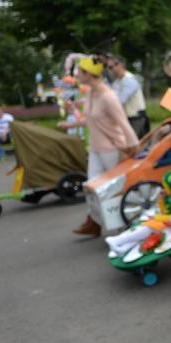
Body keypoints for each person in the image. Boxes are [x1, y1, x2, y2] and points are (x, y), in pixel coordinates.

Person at [62, 56, 139, 237]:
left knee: (114, 190)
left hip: (112, 149)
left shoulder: (108, 97)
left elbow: (123, 124)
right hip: (96, 149)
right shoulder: (90, 93)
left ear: (89, 75)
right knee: (92, 187)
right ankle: (95, 222)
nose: (76, 74)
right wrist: (70, 124)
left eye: (79, 72)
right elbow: (89, 118)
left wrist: (133, 146)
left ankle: (124, 226)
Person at [106, 54, 149, 138]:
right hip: (126, 119)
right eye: (109, 67)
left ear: (121, 64)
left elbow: (120, 100)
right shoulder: (117, 82)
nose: (111, 69)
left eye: (112, 66)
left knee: (133, 147)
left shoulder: (129, 80)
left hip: (136, 120)